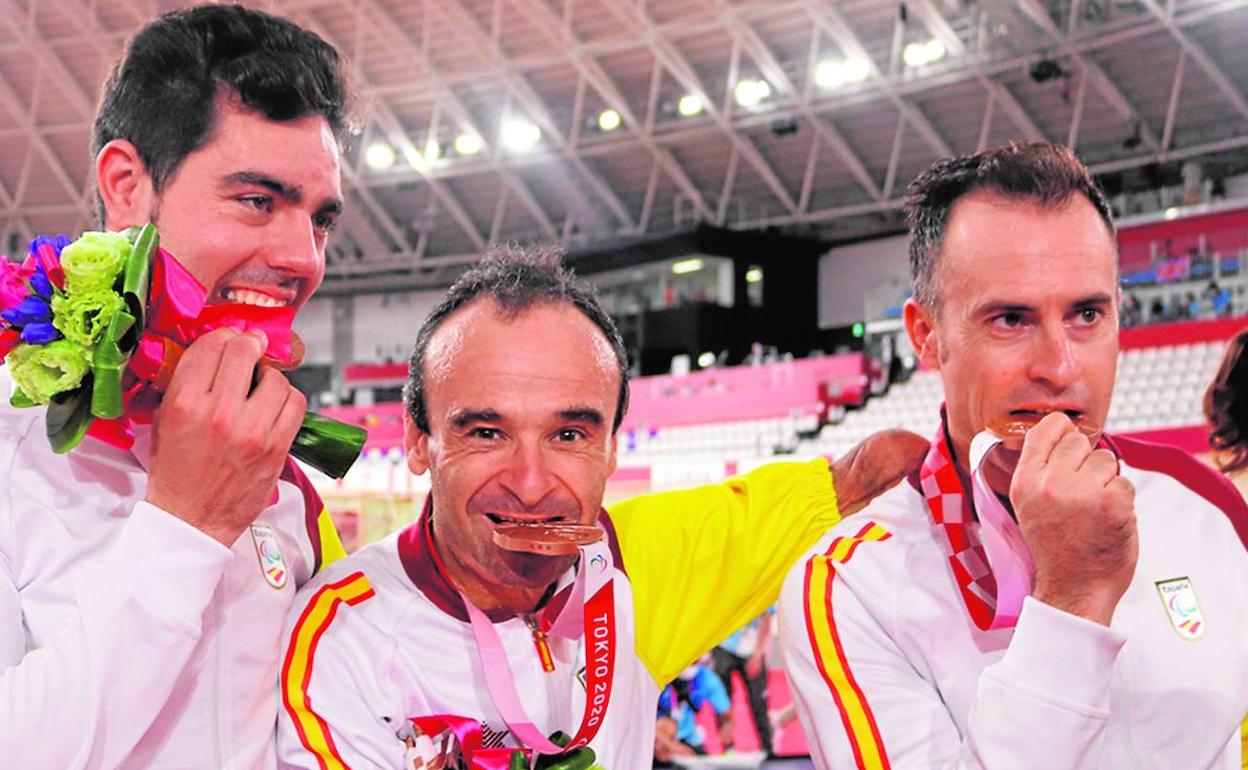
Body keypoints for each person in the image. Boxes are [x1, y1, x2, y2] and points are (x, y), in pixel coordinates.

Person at [276, 249, 930, 769]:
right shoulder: (343, 636)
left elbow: (861, 477)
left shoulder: (634, 571)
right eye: (486, 432)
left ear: (611, 448)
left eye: (569, 435)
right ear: (418, 441)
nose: (531, 484)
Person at [778, 141, 1248, 769]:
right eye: (1009, 320)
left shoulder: (1205, 504)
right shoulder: (847, 586)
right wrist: (1072, 603)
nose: (1059, 367)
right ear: (928, 336)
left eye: (1086, 314)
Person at [0, 6, 352, 767]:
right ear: (127, 185)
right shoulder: (10, 441)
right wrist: (185, 524)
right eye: (257, 200)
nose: (303, 257)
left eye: (321, 219)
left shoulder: (285, 474)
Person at [711, 610, 775, 754]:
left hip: (751, 647)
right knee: (722, 699)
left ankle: (767, 748)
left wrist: (758, 653)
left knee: (758, 700)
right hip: (724, 644)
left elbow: (766, 617)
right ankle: (728, 748)